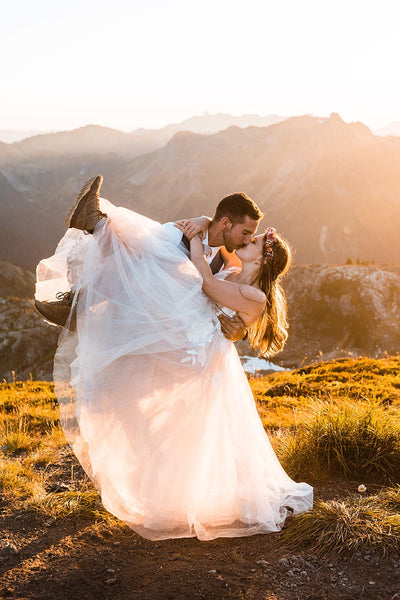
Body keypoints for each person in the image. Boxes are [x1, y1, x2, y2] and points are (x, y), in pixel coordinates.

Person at [34, 175, 313, 541]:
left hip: (196, 348)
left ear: (263, 256)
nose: (249, 240)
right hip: (191, 333)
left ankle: (87, 280)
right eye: (249, 233)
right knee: (159, 261)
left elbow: (209, 286)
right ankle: (84, 299)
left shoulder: (252, 289)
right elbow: (217, 249)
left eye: (254, 240)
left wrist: (198, 241)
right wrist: (201, 223)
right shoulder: (233, 260)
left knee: (165, 266)